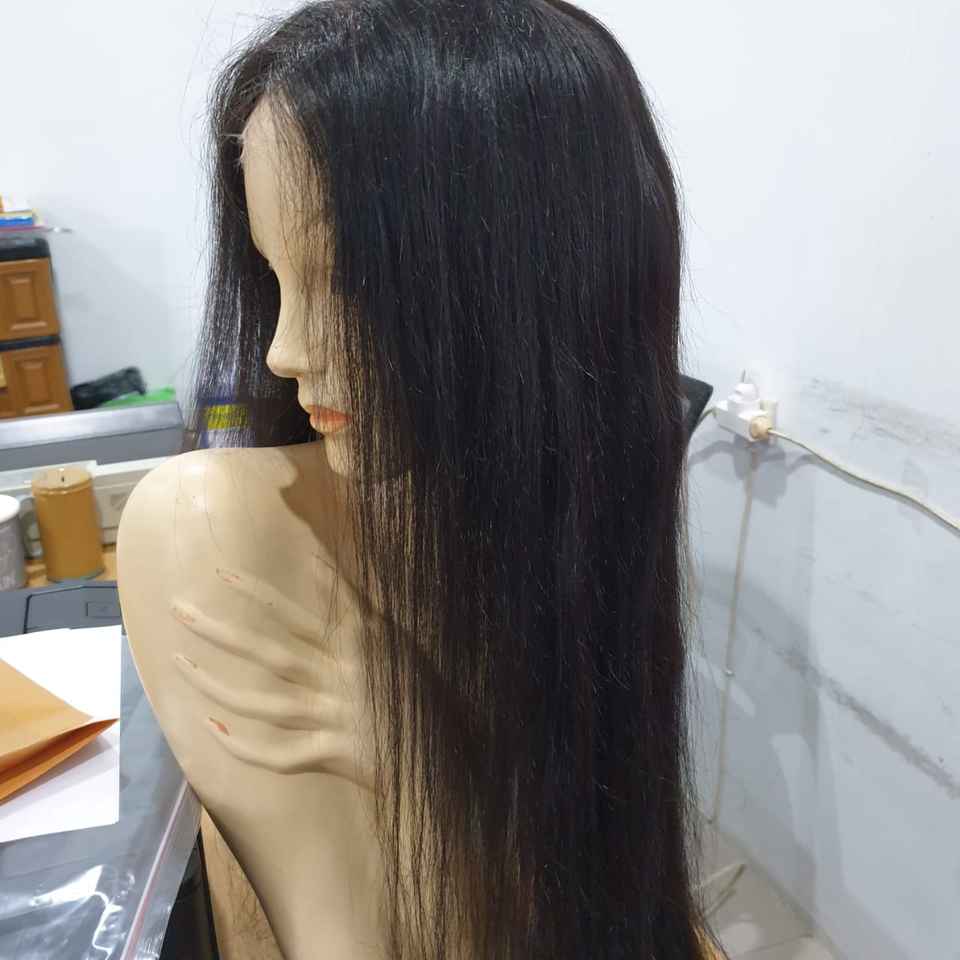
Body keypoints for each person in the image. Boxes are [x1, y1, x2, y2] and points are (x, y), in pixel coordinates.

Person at [117, 1, 724, 957]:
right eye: (276, 278)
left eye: (350, 279)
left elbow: (604, 886)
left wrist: (432, 761)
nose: (281, 351)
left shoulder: (551, 532)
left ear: (529, 284)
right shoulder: (221, 531)